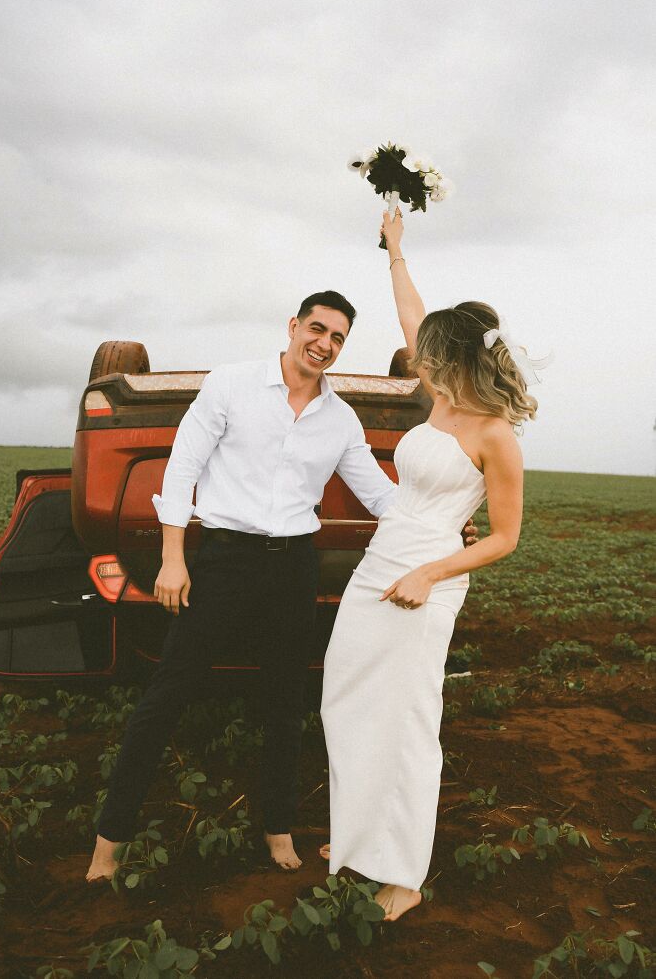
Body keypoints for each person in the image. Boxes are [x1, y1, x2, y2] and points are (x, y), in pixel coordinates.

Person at [86, 289, 479, 881]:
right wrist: (173, 556)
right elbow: (183, 466)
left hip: (292, 567)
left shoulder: (340, 420)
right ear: (293, 326)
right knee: (166, 696)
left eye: (337, 338)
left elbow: (381, 496)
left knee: (286, 705)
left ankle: (277, 828)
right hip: (223, 561)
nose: (323, 345)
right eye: (317, 330)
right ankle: (107, 847)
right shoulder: (231, 385)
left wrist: (447, 518)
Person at [320, 207, 539, 921]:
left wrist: (431, 574)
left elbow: (504, 537)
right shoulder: (440, 399)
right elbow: (412, 312)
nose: (419, 360)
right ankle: (355, 838)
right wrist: (396, 250)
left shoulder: (496, 435)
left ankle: (404, 874)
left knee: (408, 717)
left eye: (431, 355)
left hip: (430, 574)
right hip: (380, 559)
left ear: (458, 357)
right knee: (345, 697)